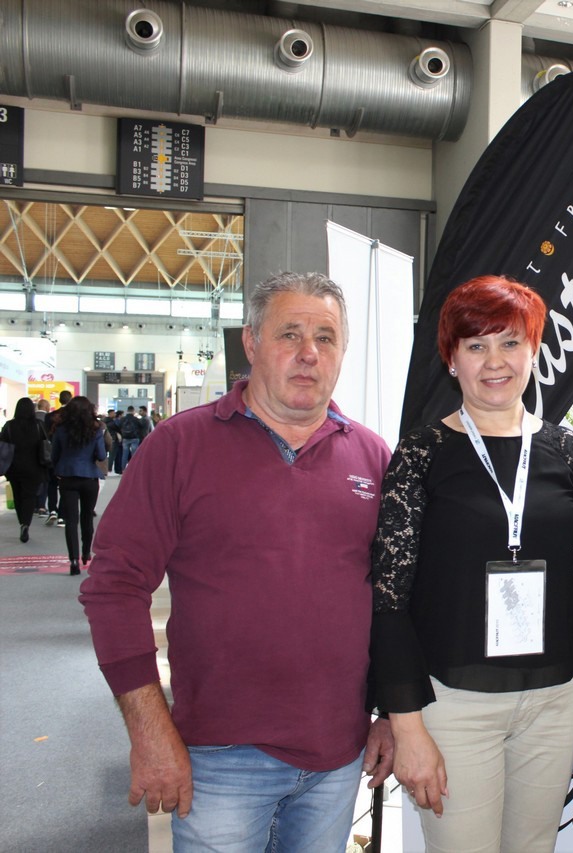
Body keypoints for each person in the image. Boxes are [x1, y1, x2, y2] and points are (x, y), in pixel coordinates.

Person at [80, 271, 395, 852]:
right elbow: (114, 588)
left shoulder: (372, 456)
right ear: (251, 342)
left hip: (336, 758)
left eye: (325, 338)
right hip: (220, 758)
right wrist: (149, 728)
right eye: (289, 334)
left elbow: (394, 600)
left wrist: (393, 714)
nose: (308, 353)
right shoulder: (180, 446)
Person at [370, 275, 573, 853]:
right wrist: (406, 723)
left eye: (510, 342)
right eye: (476, 345)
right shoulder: (421, 454)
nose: (494, 361)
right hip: (454, 705)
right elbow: (389, 599)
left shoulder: (564, 450)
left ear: (534, 351)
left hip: (555, 701)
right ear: (451, 358)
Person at [51, 396, 107, 575]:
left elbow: (54, 455)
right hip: (89, 478)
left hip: (67, 477)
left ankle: (73, 559)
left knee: (71, 520)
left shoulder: (61, 429)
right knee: (87, 517)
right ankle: (86, 552)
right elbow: (101, 455)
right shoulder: (96, 430)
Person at [1, 397, 50, 544]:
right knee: (29, 496)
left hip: (14, 467)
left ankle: (21, 521)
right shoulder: (38, 425)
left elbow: (3, 445)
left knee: (18, 496)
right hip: (34, 467)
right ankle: (25, 524)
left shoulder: (9, 426)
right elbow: (46, 443)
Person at [45, 389, 72, 526]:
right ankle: (62, 515)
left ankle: (52, 510)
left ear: (59, 400)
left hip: (52, 453)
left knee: (52, 483)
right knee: (65, 486)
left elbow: (46, 436)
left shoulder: (50, 416)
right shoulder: (73, 416)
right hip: (67, 455)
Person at [118, 405, 143, 470]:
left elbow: (119, 426)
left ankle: (123, 469)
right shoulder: (136, 419)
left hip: (125, 438)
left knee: (125, 454)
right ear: (133, 411)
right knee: (134, 454)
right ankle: (134, 468)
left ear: (127, 411)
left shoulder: (122, 419)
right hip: (134, 437)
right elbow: (141, 426)